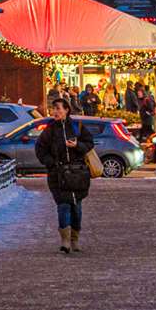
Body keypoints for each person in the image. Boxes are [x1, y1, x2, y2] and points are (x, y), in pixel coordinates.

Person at [35, 97, 94, 253]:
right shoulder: (49, 129)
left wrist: (77, 146)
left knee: (77, 208)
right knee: (63, 206)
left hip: (77, 174)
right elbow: (40, 149)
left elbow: (89, 143)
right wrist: (51, 163)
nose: (55, 112)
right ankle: (65, 240)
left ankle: (75, 239)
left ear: (66, 110)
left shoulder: (77, 126)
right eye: (53, 109)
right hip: (58, 175)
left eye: (58, 109)